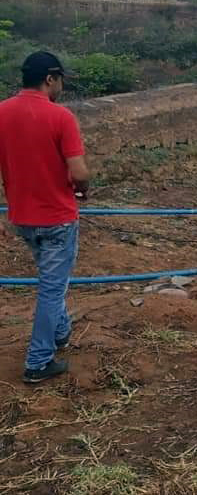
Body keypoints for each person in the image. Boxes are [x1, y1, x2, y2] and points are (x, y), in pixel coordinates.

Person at [0, 51, 90, 384]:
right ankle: (38, 362)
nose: (61, 86)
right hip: (57, 219)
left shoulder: (2, 112)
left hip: (23, 217)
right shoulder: (60, 117)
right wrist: (82, 188)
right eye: (60, 80)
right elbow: (78, 172)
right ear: (50, 79)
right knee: (52, 289)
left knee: (53, 281)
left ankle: (61, 332)